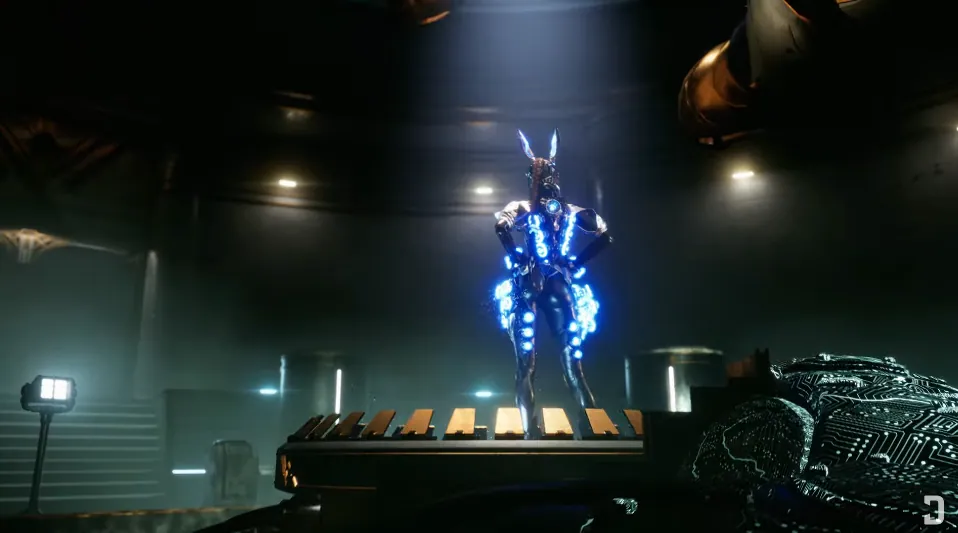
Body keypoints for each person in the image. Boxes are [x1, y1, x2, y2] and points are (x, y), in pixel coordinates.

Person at [492, 129, 613, 436]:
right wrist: (575, 262)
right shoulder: (567, 209)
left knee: (525, 366)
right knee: (573, 366)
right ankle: (594, 430)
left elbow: (501, 227)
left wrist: (517, 257)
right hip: (558, 284)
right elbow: (605, 235)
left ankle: (529, 433)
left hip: (529, 283)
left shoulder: (523, 207)